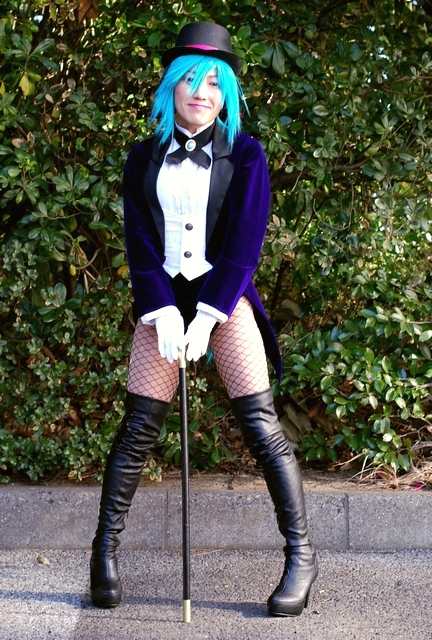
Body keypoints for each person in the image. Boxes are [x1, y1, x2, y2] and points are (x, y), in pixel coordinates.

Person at [90, 21, 318, 617]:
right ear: (172, 86)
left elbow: (244, 244)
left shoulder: (246, 154)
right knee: (138, 426)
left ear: (228, 95)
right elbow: (139, 241)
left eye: (215, 83)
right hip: (163, 302)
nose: (202, 91)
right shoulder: (143, 156)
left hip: (225, 297)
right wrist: (161, 308)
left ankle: (301, 556)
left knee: (261, 425)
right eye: (192, 79)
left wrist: (209, 315)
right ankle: (103, 554)